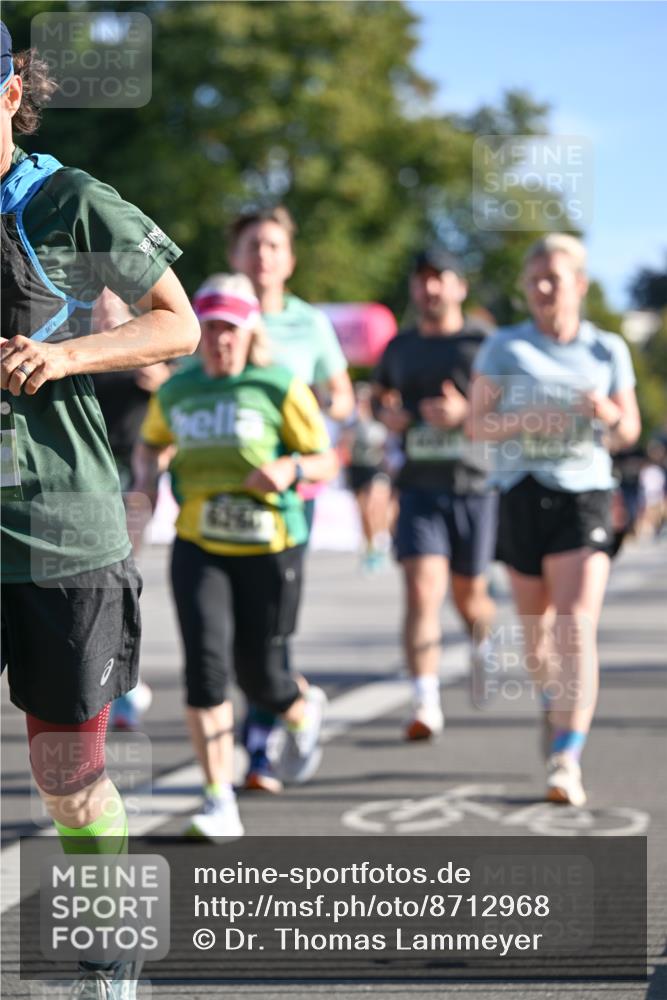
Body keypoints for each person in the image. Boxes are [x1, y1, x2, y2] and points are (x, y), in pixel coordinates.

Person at [0, 24, 199, 998]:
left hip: (62, 529)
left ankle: (112, 961)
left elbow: (180, 321)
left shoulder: (68, 199)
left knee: (65, 781)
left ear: (11, 92)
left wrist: (65, 353)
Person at [133, 273, 338, 837]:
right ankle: (217, 798)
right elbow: (151, 441)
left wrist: (289, 469)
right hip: (200, 544)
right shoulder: (178, 389)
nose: (222, 339)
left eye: (233, 328)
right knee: (205, 672)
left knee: (261, 677)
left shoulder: (278, 385)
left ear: (251, 331)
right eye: (213, 328)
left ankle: (298, 706)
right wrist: (147, 481)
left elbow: (326, 461)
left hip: (271, 547)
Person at [468, 233, 641, 806]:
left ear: (580, 286)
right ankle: (552, 699)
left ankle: (567, 755)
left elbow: (628, 431)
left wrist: (610, 413)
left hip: (584, 494)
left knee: (575, 625)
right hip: (521, 491)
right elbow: (476, 427)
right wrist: (525, 421)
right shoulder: (504, 348)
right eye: (535, 279)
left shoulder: (606, 348)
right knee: (538, 639)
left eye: (556, 279)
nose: (544, 288)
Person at [228, 206, 354, 791]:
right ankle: (289, 704)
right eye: (253, 244)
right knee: (227, 627)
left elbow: (342, 398)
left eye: (274, 245)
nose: (263, 255)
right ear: (236, 256)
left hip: (289, 494)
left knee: (268, 625)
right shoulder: (217, 313)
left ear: (290, 259)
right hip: (223, 490)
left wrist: (312, 408)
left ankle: (257, 750)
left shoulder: (309, 325)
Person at [372, 247, 498, 740]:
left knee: (471, 598)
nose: (429, 288)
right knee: (422, 590)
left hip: (474, 484)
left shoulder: (485, 342)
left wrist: (466, 414)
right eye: (421, 280)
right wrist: (389, 414)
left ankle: (482, 641)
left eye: (439, 278)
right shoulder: (399, 347)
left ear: (459, 286)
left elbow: (513, 410)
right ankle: (425, 699)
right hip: (419, 486)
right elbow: (380, 398)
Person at [91, 290, 173, 731]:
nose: (103, 312)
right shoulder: (79, 351)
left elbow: (176, 402)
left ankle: (124, 686)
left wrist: (158, 377)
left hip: (134, 477)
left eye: (112, 306)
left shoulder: (144, 348)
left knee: (121, 580)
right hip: (90, 480)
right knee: (100, 586)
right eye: (95, 305)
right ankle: (121, 685)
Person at [341, 380, 395, 572]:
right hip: (357, 467)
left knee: (374, 505)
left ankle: (381, 539)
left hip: (377, 467)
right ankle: (371, 545)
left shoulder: (381, 419)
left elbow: (390, 444)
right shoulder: (350, 422)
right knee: (363, 509)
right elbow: (343, 445)